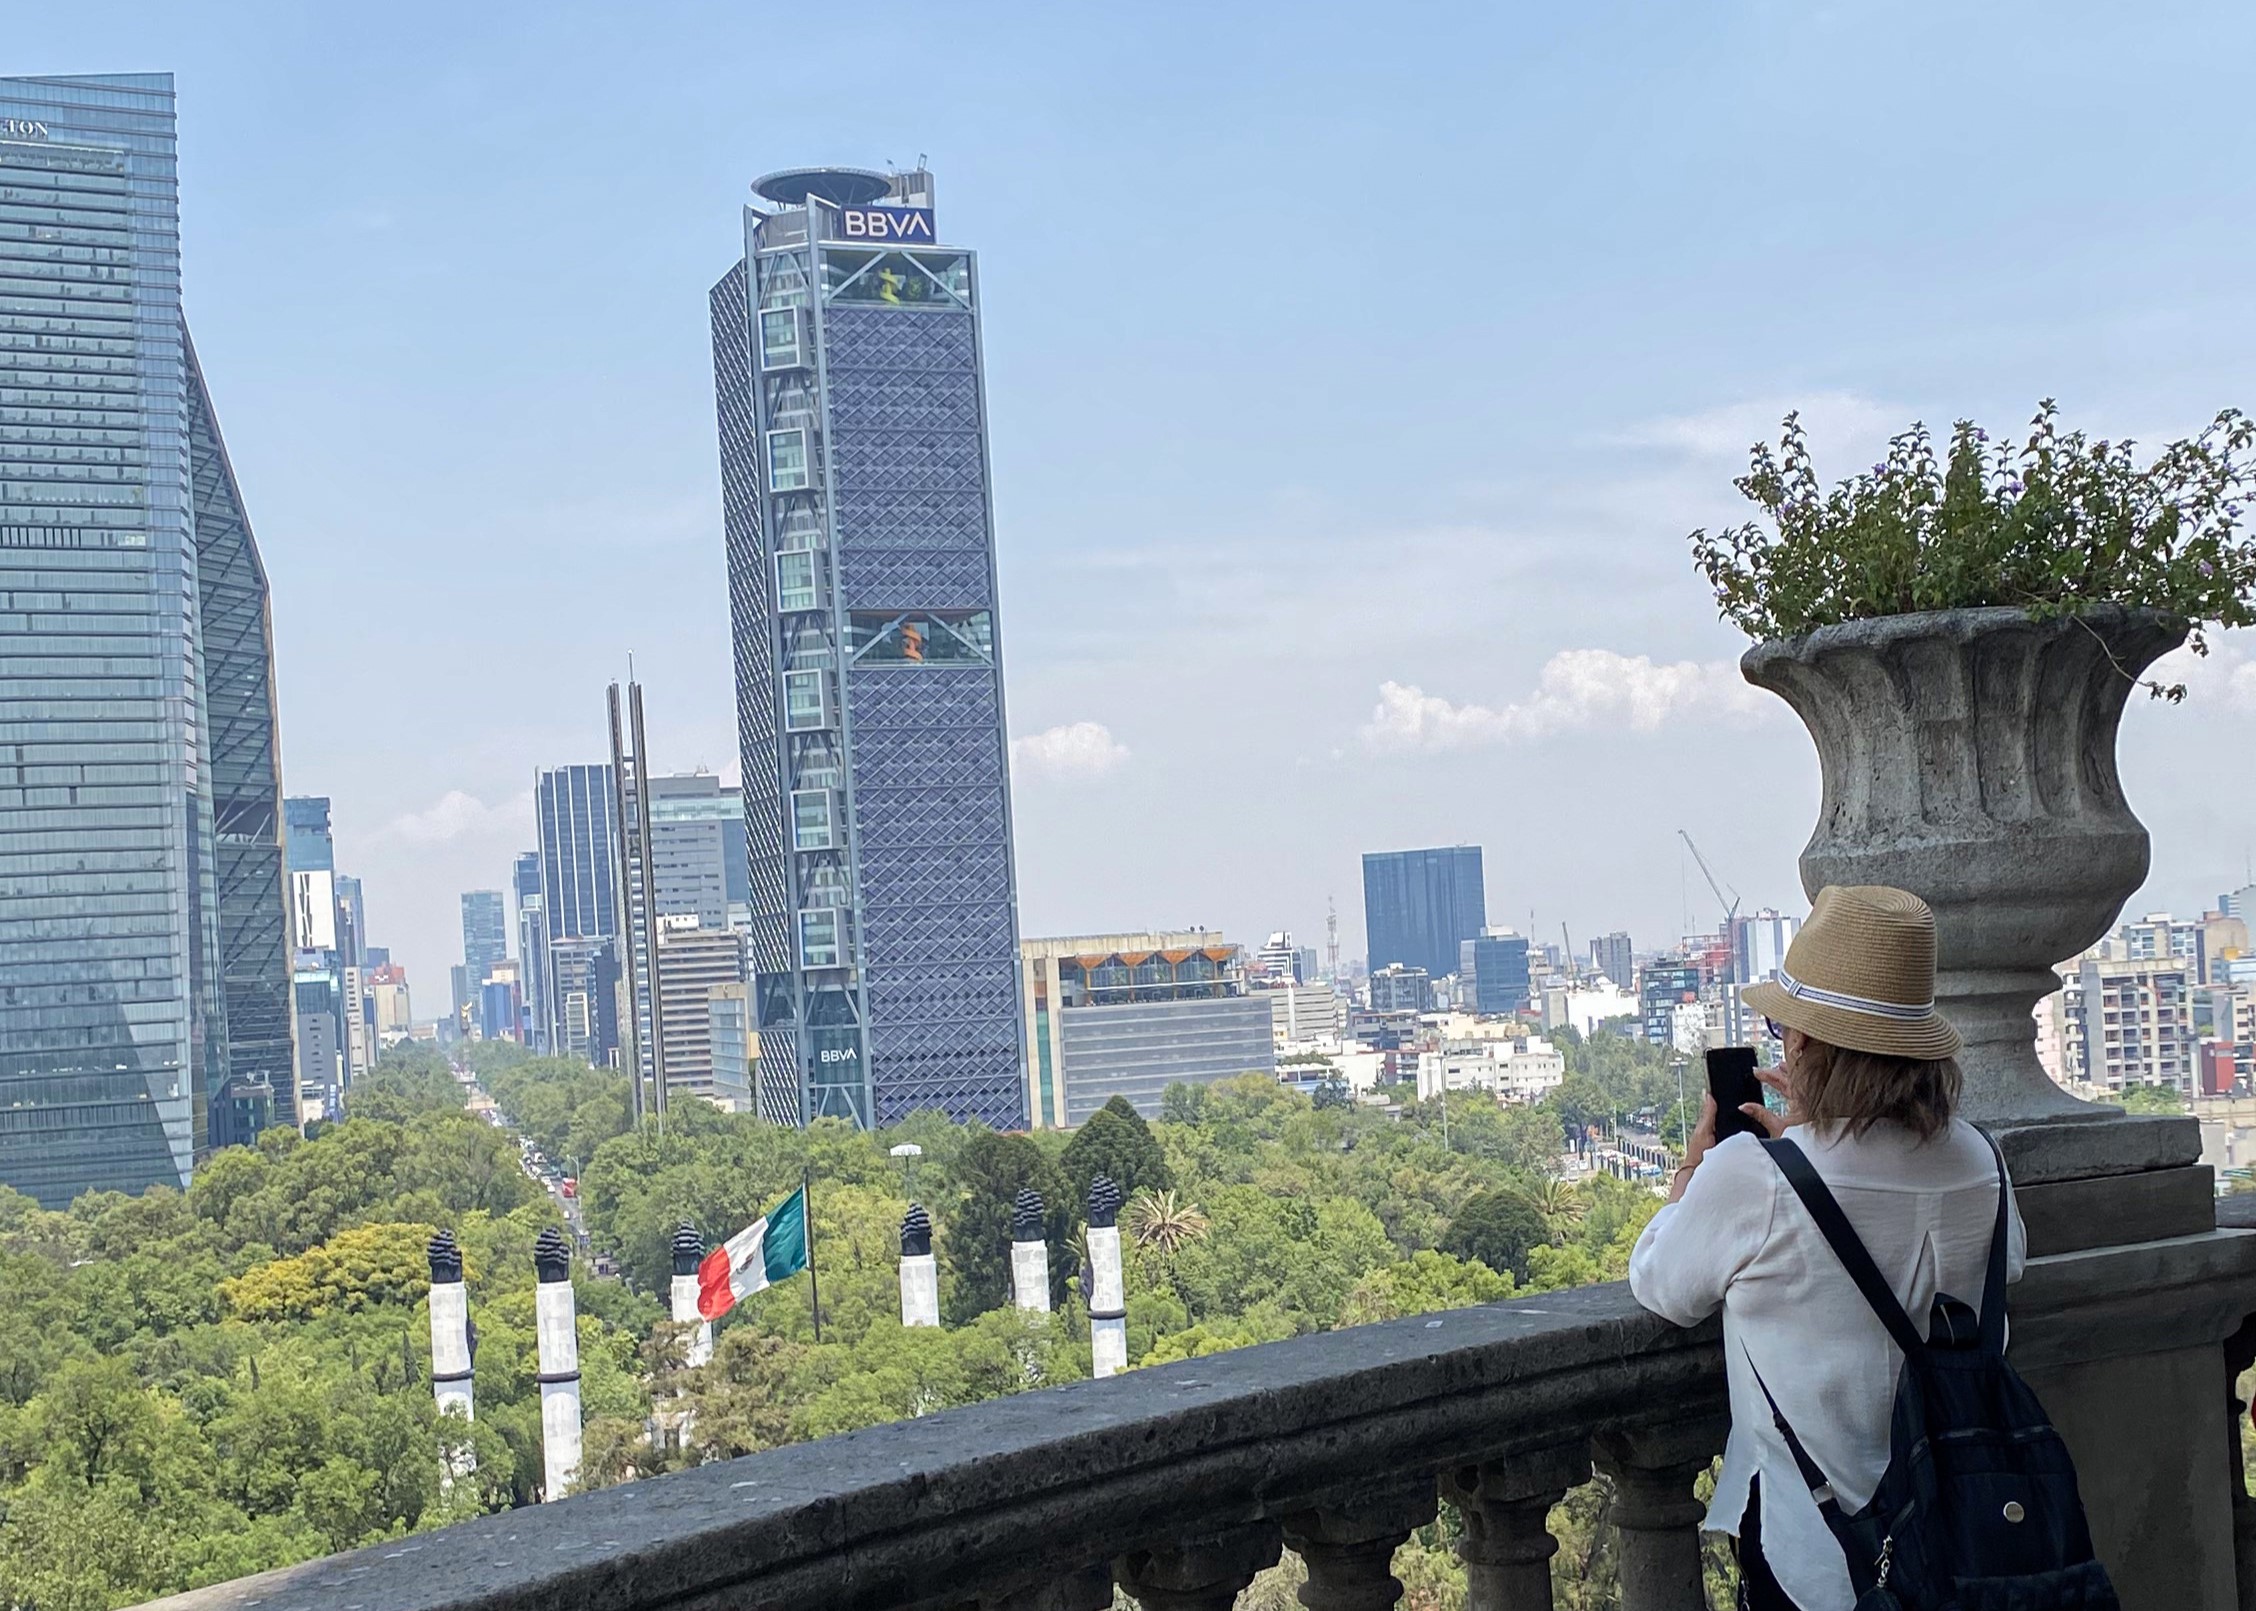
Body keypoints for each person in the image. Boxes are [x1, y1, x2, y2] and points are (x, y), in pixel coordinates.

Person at [1628, 885, 2026, 1611]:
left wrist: (1695, 1169)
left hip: (1822, 1562)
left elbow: (1661, 1283)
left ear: (1805, 1041)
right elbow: (2004, 1261)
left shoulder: (1753, 1178)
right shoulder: (1983, 1160)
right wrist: (1812, 1148)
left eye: (1786, 1029)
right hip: (1974, 1541)